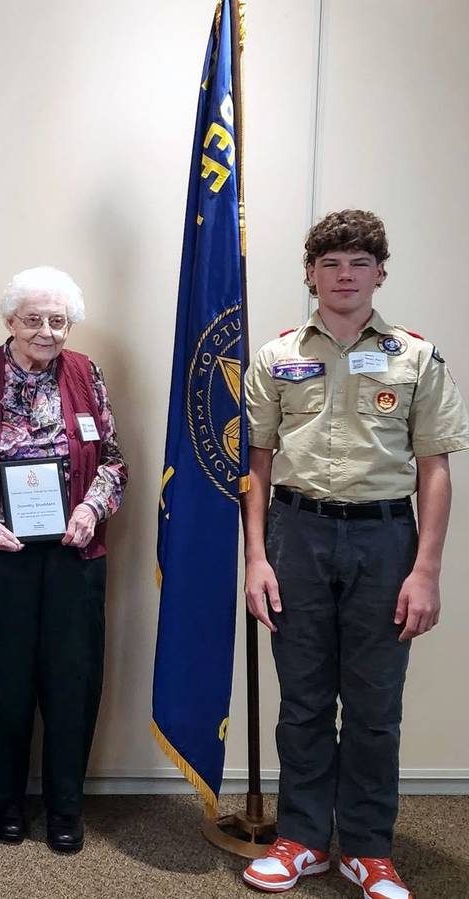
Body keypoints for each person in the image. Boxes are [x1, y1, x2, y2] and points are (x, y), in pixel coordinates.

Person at [240, 211, 469, 899]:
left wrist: (425, 570)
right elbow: (256, 463)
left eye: (359, 263)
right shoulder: (276, 357)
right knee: (303, 700)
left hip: (383, 539)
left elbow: (434, 468)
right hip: (296, 533)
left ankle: (368, 848)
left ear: (380, 273)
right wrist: (256, 557)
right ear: (310, 272)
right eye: (331, 262)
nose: (345, 275)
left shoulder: (415, 356)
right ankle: (303, 837)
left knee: (375, 705)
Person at [0, 265, 126, 853]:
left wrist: (91, 510)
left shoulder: (85, 372)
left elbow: (114, 461)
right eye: (33, 319)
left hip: (74, 552)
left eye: (58, 320)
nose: (46, 331)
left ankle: (66, 807)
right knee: (3, 683)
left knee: (72, 681)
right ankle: (7, 803)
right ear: (9, 321)